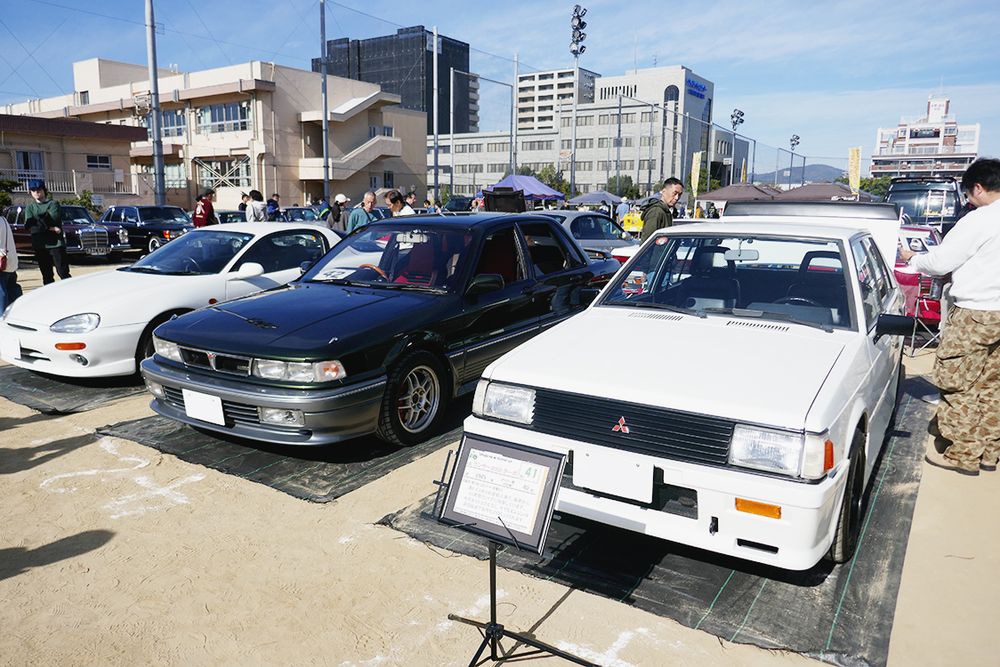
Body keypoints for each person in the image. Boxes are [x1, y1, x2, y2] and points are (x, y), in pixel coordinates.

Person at [899, 158, 1000, 475]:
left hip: (975, 314)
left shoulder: (980, 220)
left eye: (968, 193)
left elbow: (940, 262)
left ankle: (962, 455)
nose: (968, 200)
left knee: (959, 384)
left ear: (978, 188)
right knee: (992, 385)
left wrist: (914, 258)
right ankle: (989, 452)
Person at [24, 180, 70, 283]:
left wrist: (39, 223)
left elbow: (52, 219)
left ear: (44, 190)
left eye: (39, 190)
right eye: (33, 190)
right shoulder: (30, 207)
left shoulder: (53, 204)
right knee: (47, 276)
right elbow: (30, 226)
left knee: (63, 273)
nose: (36, 192)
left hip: (56, 244)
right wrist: (51, 228)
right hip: (40, 245)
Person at [640, 178, 684, 242]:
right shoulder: (656, 211)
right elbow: (648, 241)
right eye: (674, 193)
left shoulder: (668, 211)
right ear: (663, 191)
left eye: (679, 195)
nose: (677, 198)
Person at [0, 211, 21, 309]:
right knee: (13, 291)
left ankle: (2, 316)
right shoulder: (3, 219)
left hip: (3, 264)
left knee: (2, 294)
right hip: (10, 261)